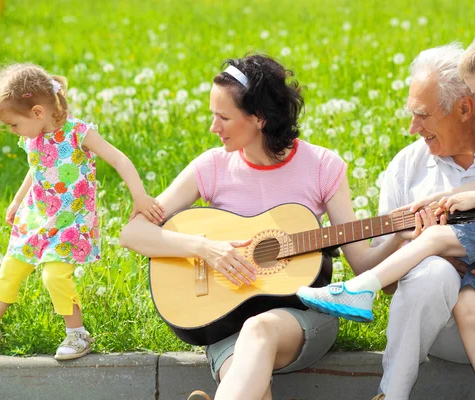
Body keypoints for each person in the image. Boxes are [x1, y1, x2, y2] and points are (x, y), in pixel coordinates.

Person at [119, 54, 415, 400]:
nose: (213, 128)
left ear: (258, 119)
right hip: (225, 325)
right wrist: (205, 248)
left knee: (259, 329)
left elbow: (362, 264)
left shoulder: (322, 166)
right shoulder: (212, 167)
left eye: (223, 117)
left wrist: (398, 233)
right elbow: (133, 233)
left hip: (302, 317)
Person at [299, 31, 475, 400]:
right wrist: (405, 238)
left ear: (464, 107)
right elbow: (392, 285)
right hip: (442, 327)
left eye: (422, 116)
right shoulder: (406, 168)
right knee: (433, 268)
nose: (412, 129)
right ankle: (391, 394)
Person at [0, 63, 163, 360]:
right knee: (11, 268)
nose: (13, 131)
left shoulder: (78, 133)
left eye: (14, 124)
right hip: (36, 215)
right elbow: (37, 167)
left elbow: (120, 160)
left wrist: (139, 197)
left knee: (54, 276)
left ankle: (77, 334)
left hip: (69, 220)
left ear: (37, 112)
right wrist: (16, 200)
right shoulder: (33, 136)